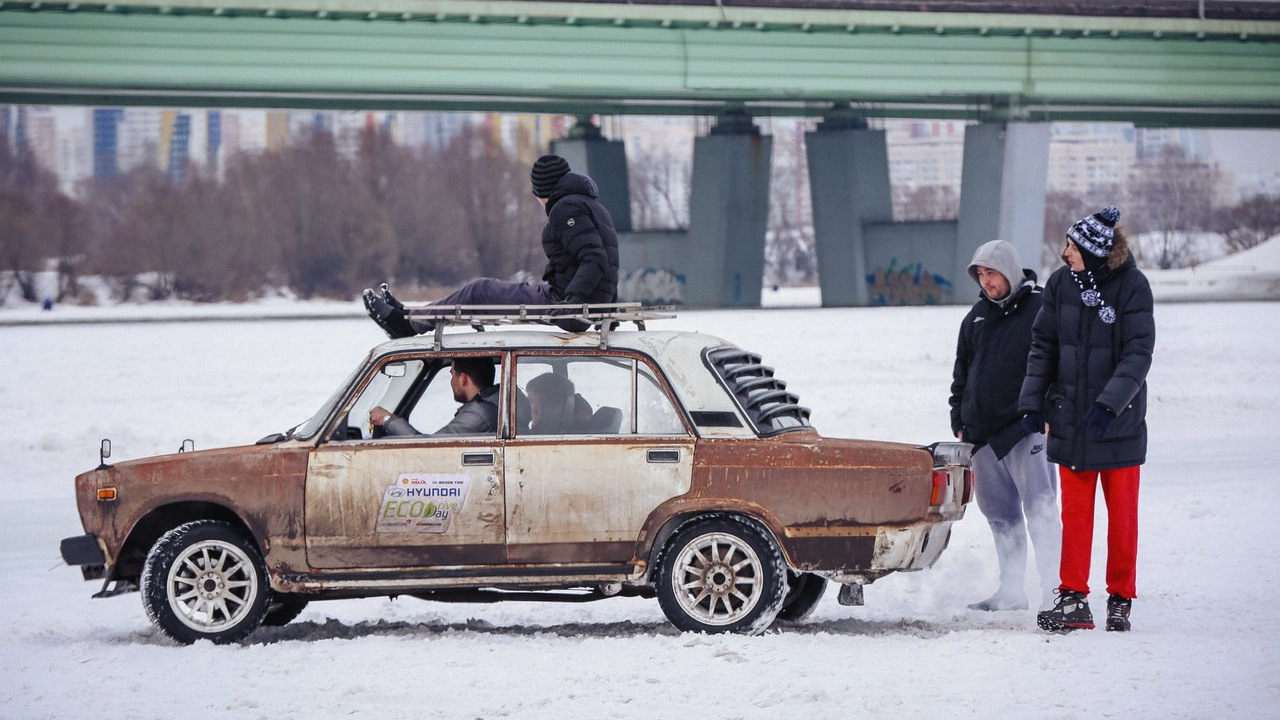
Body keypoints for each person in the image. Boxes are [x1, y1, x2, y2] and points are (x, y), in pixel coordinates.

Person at [1019, 205, 1155, 633]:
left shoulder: (1133, 286)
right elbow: (1043, 345)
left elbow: (1138, 354)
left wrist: (1109, 405)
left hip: (1119, 423)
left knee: (1122, 517)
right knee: (1075, 517)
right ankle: (1073, 598)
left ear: (1095, 251)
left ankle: (1120, 599)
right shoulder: (1061, 285)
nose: (1064, 254)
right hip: (1072, 420)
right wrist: (1032, 402)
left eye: (1071, 247)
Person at [363, 154, 620, 337]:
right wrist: (608, 307)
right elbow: (608, 259)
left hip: (568, 305)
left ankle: (407, 325)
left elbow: (595, 257)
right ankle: (410, 314)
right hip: (581, 304)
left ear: (542, 192)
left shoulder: (565, 208)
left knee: (479, 290)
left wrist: (573, 302)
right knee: (480, 291)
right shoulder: (593, 205)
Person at [949, 240, 1061, 612]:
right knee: (1000, 515)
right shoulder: (976, 317)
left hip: (1026, 428)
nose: (986, 282)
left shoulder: (1041, 308)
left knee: (1041, 510)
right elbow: (961, 373)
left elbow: (1057, 366)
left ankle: (1056, 590)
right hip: (981, 436)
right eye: (980, 275)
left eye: (991, 273)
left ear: (1009, 271)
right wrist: (959, 419)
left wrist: (1048, 410)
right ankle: (1011, 590)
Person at [369, 357, 499, 437]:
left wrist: (387, 420)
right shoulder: (493, 404)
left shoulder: (479, 413)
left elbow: (429, 446)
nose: (452, 381)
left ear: (463, 378)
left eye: (452, 375)